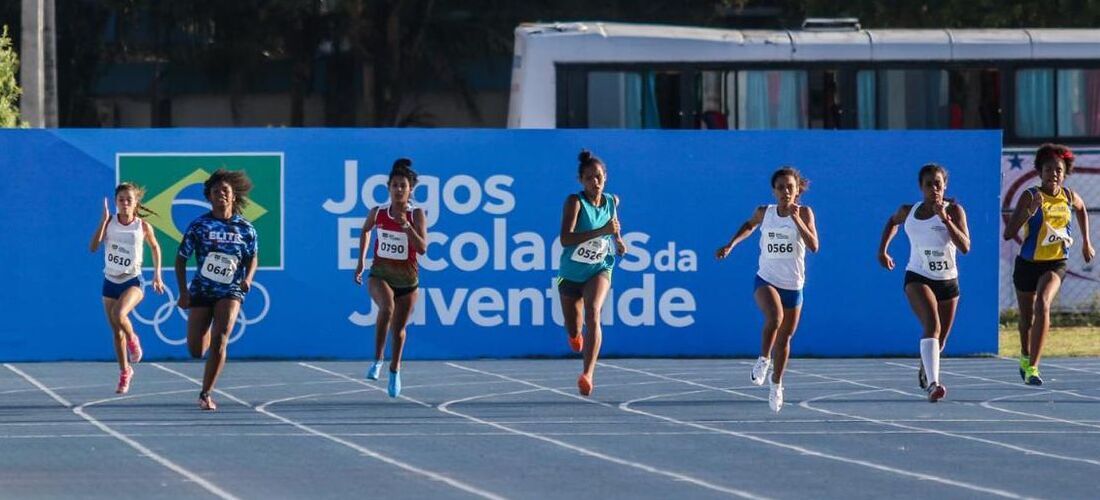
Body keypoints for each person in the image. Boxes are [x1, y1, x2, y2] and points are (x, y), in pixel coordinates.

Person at [716, 167, 819, 412]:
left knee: (785, 338)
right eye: (781, 187)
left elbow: (814, 245)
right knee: (774, 317)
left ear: (797, 190)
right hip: (766, 279)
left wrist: (795, 219)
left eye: (790, 188)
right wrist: (731, 244)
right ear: (774, 191)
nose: (785, 192)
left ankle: (776, 384)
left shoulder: (804, 213)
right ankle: (763, 359)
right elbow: (749, 225)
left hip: (793, 285)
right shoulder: (765, 212)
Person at [878, 164, 971, 402]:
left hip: (948, 281)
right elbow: (892, 222)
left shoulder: (955, 210)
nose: (934, 188)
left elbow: (965, 247)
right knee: (932, 325)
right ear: (921, 187)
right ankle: (933, 385)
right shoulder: (909, 211)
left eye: (938, 183)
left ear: (945, 186)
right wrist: (883, 250)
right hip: (918, 276)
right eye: (928, 184)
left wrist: (945, 219)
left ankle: (926, 366)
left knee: (940, 340)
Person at [1004, 144, 1094, 385]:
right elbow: (1009, 233)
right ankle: (1024, 355)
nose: (1053, 173)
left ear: (1064, 174)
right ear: (1039, 172)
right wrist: (1028, 213)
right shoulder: (1030, 196)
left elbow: (1083, 209)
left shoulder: (1069, 196)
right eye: (1048, 169)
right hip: (1027, 264)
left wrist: (1087, 242)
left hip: (1055, 264)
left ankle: (1033, 367)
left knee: (1043, 304)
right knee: (1026, 321)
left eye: (1058, 170)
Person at [175, 169, 259, 410]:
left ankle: (205, 393)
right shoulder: (199, 225)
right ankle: (208, 331)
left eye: (225, 191)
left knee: (221, 338)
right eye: (215, 191)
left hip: (231, 290)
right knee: (196, 349)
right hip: (202, 289)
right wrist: (183, 292)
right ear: (208, 197)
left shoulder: (246, 228)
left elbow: (253, 257)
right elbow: (181, 258)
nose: (221, 194)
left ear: (233, 197)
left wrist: (249, 278)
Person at [354, 159, 427, 398]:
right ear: (388, 188)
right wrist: (360, 263)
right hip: (380, 274)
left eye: (403, 186)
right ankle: (377, 360)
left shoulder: (416, 214)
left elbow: (423, 248)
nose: (398, 190)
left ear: (410, 190)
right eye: (394, 185)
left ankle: (395, 369)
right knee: (386, 307)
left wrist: (406, 226)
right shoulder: (378, 212)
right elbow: (365, 231)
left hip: (408, 281)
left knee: (399, 330)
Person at [557, 150, 626, 397]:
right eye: (589, 178)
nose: (594, 182)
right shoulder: (574, 202)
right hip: (571, 274)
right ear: (581, 181)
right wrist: (602, 231)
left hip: (600, 267)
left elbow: (614, 222)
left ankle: (587, 374)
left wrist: (618, 240)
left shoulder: (610, 201)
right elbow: (566, 239)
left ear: (605, 177)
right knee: (574, 329)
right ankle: (575, 337)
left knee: (593, 312)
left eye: (598, 177)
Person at [89, 183, 166, 394]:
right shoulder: (110, 223)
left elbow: (155, 246)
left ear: (135, 204)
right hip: (110, 282)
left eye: (128, 200)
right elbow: (93, 247)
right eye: (121, 200)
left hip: (133, 281)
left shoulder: (142, 226)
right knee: (116, 332)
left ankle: (134, 339)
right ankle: (125, 372)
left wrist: (157, 275)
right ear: (116, 202)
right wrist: (103, 221)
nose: (124, 204)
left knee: (120, 314)